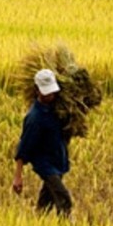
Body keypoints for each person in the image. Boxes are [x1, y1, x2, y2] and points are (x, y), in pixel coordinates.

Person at [12, 69, 73, 218]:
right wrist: (18, 176)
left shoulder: (58, 108)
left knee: (47, 201)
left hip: (58, 159)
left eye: (52, 92)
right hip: (46, 165)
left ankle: (37, 225)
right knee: (64, 199)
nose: (50, 95)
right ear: (37, 90)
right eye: (46, 93)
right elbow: (24, 147)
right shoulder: (34, 118)